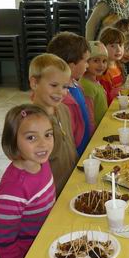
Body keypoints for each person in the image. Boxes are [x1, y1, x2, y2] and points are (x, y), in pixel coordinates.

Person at [0, 104, 56, 258]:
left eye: (48, 134)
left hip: (43, 246)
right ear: (13, 141)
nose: (43, 144)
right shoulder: (13, 190)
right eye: (31, 137)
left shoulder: (42, 163)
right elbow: (4, 242)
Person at [29, 53, 78, 194]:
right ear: (34, 83)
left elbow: (70, 144)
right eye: (54, 85)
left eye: (65, 87)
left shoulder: (64, 110)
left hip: (71, 184)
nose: (61, 92)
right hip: (50, 194)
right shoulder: (31, 123)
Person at [47, 32, 94, 156]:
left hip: (86, 147)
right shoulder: (60, 99)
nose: (88, 65)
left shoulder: (76, 84)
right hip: (74, 155)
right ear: (71, 67)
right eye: (86, 61)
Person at [80, 41, 108, 127]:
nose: (101, 65)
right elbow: (89, 118)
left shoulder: (95, 81)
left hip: (103, 126)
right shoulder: (87, 86)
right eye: (96, 61)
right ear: (86, 62)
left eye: (104, 61)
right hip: (97, 133)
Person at [98, 27, 126, 105]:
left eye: (121, 45)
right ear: (103, 47)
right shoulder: (104, 73)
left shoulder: (117, 64)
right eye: (113, 46)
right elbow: (106, 100)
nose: (118, 49)